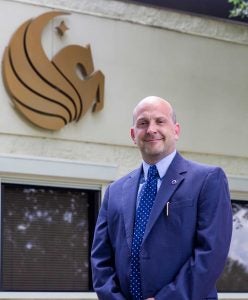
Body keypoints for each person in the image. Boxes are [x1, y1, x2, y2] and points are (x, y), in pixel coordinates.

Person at [91, 96, 232, 300]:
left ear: (176, 130)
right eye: (143, 123)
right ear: (133, 134)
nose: (151, 129)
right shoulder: (115, 191)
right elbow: (100, 260)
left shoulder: (208, 180)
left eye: (160, 121)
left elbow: (210, 255)